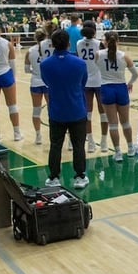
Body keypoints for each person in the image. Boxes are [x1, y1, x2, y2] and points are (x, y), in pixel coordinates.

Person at [40, 29, 89, 189]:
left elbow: (47, 82)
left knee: (55, 145)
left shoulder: (45, 64)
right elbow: (83, 83)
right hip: (77, 111)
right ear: (69, 43)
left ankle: (54, 177)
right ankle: (80, 176)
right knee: (78, 145)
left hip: (56, 112)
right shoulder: (80, 63)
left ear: (52, 44)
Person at [95, 31, 138, 162]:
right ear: (118, 41)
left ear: (105, 42)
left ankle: (118, 152)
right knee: (125, 122)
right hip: (121, 88)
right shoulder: (124, 56)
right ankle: (130, 148)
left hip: (106, 88)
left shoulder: (98, 54)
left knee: (113, 124)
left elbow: (96, 68)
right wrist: (130, 83)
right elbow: (135, 74)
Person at [77, 21, 109, 153]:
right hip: (100, 81)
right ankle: (104, 142)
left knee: (87, 113)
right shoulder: (99, 44)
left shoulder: (78, 44)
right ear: (95, 31)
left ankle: (90, 142)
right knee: (103, 113)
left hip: (85, 81)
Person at [24, 29, 49, 145]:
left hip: (35, 82)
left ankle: (38, 136)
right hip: (48, 82)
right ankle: (53, 133)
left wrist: (35, 71)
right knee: (51, 109)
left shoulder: (30, 51)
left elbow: (26, 69)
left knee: (36, 110)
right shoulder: (50, 49)